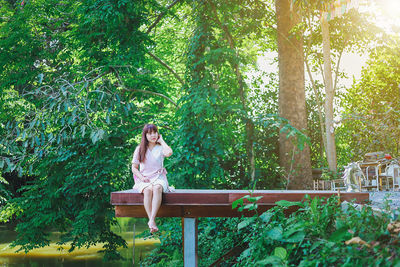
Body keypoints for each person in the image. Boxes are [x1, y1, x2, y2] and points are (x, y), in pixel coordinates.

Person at [131, 124, 173, 233]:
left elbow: (169, 153)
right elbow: (134, 168)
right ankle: (152, 221)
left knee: (157, 188)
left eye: (155, 132)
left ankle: (151, 220)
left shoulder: (160, 148)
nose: (153, 135)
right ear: (145, 135)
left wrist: (162, 141)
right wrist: (142, 177)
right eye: (150, 133)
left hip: (159, 177)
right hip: (144, 178)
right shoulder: (139, 149)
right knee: (148, 190)